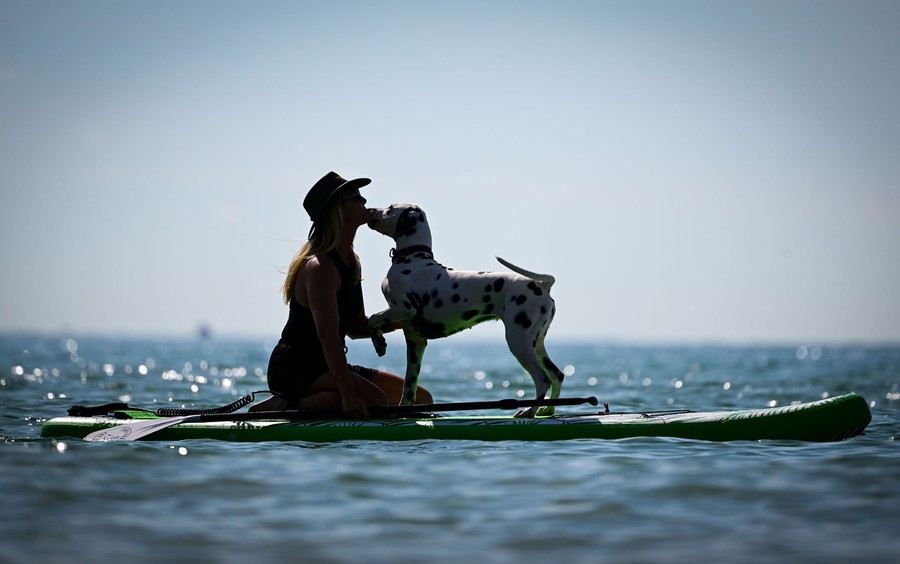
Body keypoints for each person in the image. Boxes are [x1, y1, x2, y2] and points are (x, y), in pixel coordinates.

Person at [253, 171, 433, 417]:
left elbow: (356, 327)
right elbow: (328, 337)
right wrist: (348, 394)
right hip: (297, 368)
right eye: (355, 197)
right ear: (338, 210)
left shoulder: (351, 262)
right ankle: (285, 403)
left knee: (421, 399)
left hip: (330, 365)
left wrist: (404, 321)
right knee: (376, 402)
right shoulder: (320, 268)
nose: (364, 202)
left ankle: (303, 400)